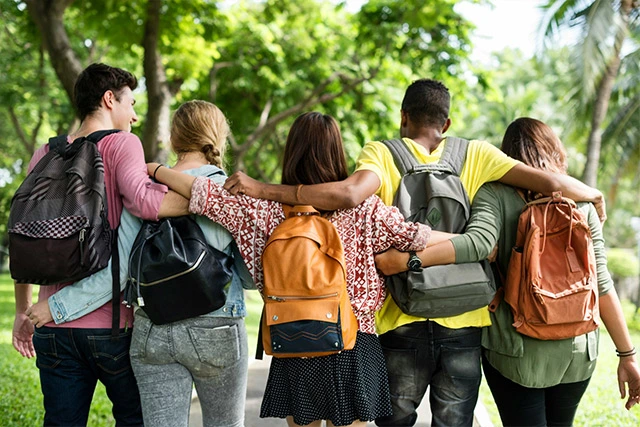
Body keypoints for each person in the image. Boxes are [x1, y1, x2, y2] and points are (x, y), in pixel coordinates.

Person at [221, 79, 607, 426]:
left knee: (396, 420)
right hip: (464, 317)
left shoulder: (382, 153)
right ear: (447, 123)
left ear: (403, 117)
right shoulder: (478, 154)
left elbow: (350, 195)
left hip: (401, 314)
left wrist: (265, 188)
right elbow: (553, 181)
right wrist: (592, 192)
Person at [148, 111, 433, 427]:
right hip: (354, 342)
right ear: (338, 152)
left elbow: (204, 194)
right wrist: (472, 242)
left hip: (295, 338)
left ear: (291, 152)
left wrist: (157, 170)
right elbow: (417, 237)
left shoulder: (263, 209)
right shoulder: (366, 208)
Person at [375, 117, 640, 426]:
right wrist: (627, 355)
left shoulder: (495, 194)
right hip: (577, 350)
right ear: (556, 151)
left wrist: (408, 261)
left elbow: (477, 244)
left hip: (514, 351)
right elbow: (602, 285)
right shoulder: (582, 203)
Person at [11, 63, 185, 426]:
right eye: (131, 104)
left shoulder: (45, 153)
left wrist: (21, 310)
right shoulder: (123, 143)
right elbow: (147, 204)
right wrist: (210, 199)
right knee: (135, 419)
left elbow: (24, 236)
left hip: (53, 329)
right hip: (111, 327)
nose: (135, 116)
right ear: (109, 99)